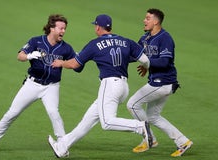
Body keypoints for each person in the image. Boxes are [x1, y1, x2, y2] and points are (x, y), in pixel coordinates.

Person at [47, 14, 153, 158]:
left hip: (109, 85)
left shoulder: (95, 44)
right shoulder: (125, 41)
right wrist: (145, 68)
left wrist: (61, 63)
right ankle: (62, 147)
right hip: (123, 87)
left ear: (98, 27)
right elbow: (145, 59)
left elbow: (74, 64)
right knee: (87, 121)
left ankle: (140, 127)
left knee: (107, 122)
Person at [0, 14, 78, 152]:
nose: (63, 31)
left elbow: (76, 65)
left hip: (51, 86)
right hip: (32, 84)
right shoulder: (36, 41)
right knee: (12, 113)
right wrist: (29, 56)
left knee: (53, 113)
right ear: (51, 28)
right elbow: (19, 56)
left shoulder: (66, 48)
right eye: (60, 28)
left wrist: (70, 61)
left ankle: (63, 145)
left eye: (65, 28)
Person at [126, 8, 193, 157]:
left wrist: (147, 63)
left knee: (132, 104)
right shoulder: (145, 38)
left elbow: (164, 62)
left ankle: (149, 138)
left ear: (156, 21)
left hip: (163, 83)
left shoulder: (165, 38)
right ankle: (183, 141)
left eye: (147, 18)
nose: (144, 20)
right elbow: (135, 55)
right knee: (153, 116)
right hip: (158, 82)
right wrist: (119, 54)